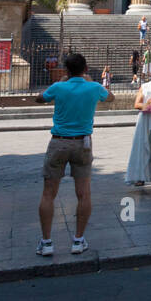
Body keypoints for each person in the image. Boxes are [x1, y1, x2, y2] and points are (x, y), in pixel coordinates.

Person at [34, 53, 113, 256]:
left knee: (48, 193)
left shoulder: (59, 87)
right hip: (83, 143)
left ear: (66, 70)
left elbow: (39, 98)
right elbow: (110, 97)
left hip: (59, 142)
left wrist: (62, 81)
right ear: (85, 69)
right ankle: (78, 240)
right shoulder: (94, 87)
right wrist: (90, 82)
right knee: (83, 193)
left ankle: (47, 242)